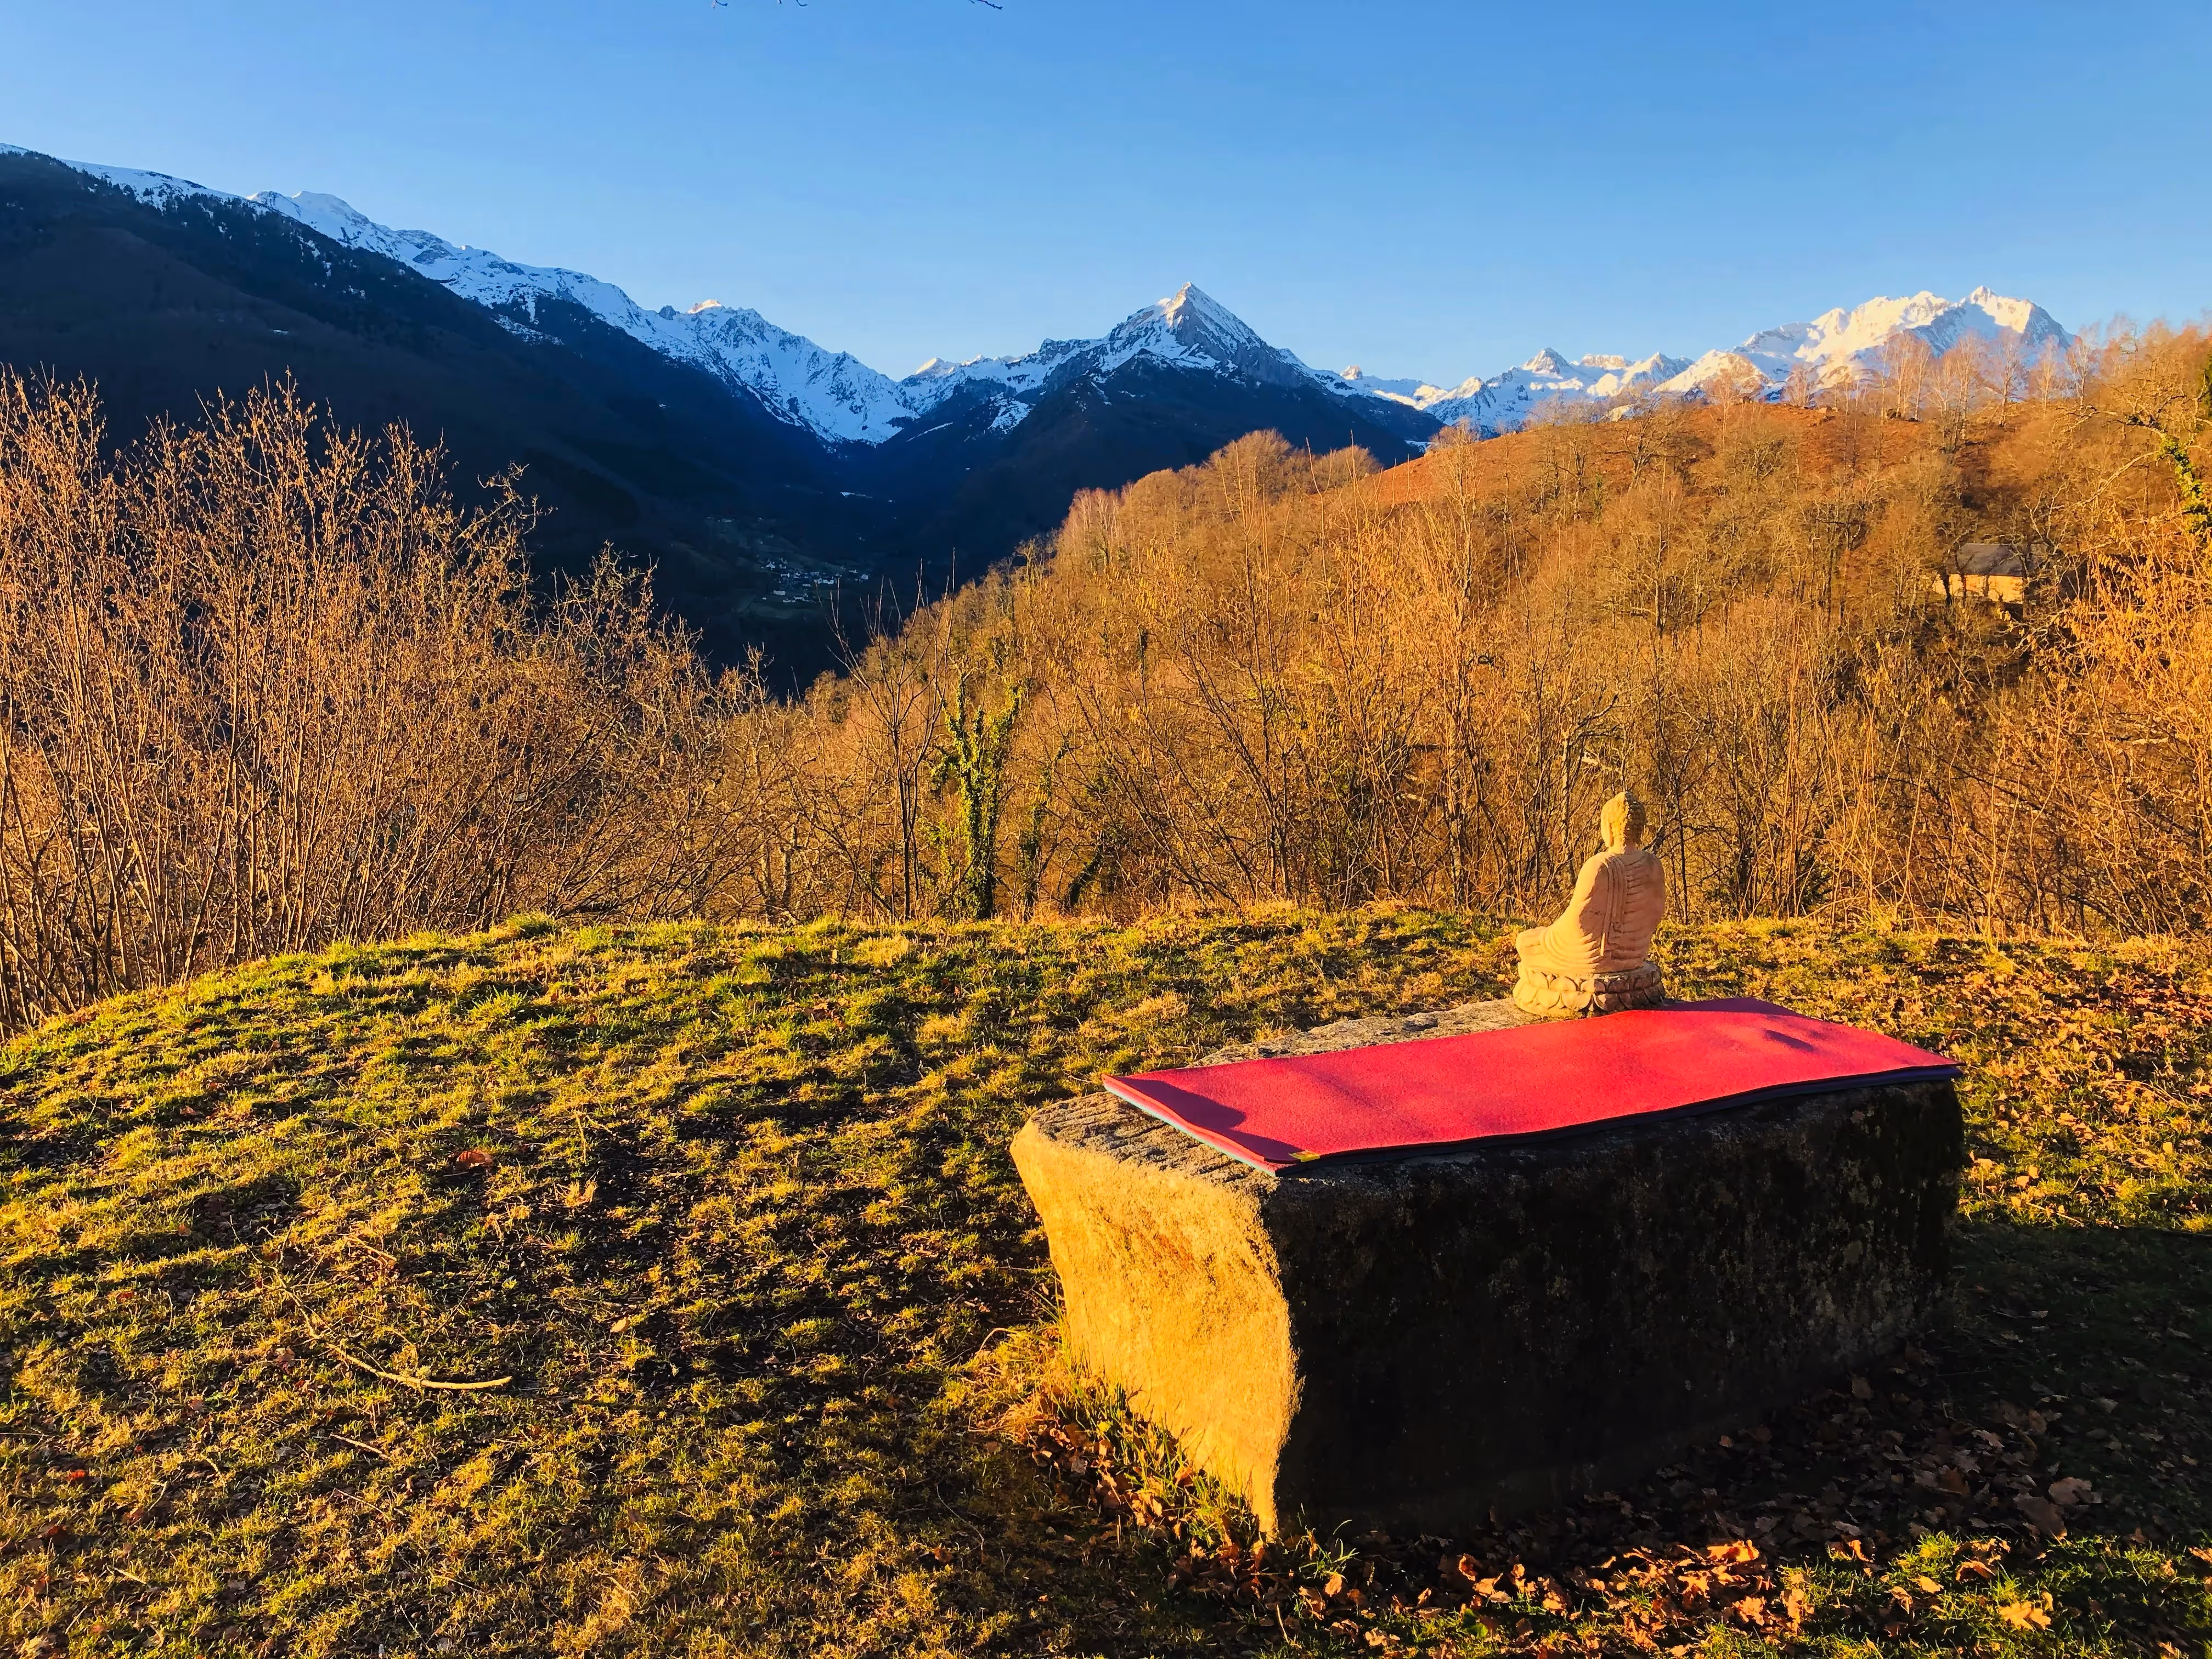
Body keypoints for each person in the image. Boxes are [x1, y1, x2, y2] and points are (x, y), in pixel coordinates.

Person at [1513, 791, 1666, 1017]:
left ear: (1609, 827)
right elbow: (1657, 913)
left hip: (1593, 955)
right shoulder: (1654, 864)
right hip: (1636, 954)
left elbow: (1577, 921)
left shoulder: (1600, 866)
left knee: (1526, 942)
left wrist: (1547, 937)